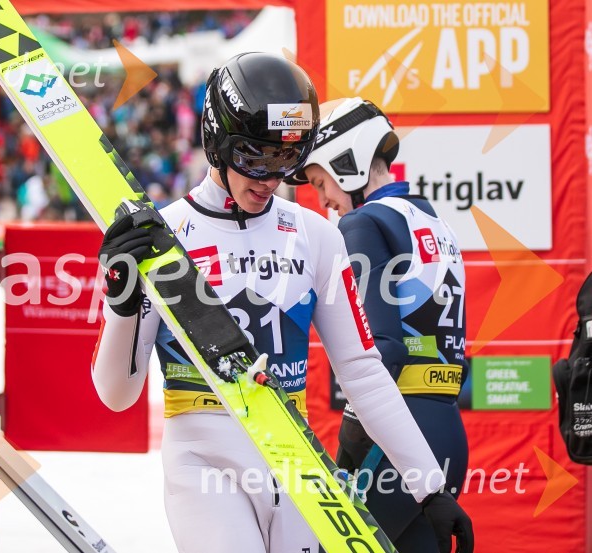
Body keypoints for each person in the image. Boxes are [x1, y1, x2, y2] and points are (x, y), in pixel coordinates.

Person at [92, 54, 473, 553]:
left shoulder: (315, 235)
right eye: (255, 158)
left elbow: (363, 372)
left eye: (287, 161)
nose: (270, 179)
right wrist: (121, 302)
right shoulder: (165, 236)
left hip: (297, 462)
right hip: (203, 462)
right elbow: (117, 394)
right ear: (217, 142)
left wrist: (429, 489)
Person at [290, 97, 470, 552]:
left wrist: (350, 436)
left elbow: (383, 349)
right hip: (446, 426)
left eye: (319, 181)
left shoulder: (362, 223)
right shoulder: (431, 219)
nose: (324, 199)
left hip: (398, 435)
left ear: (344, 161)